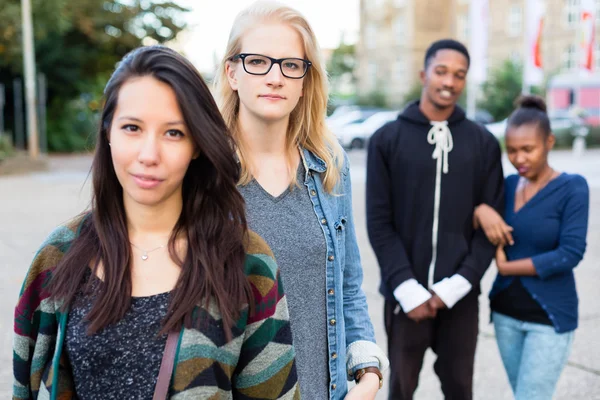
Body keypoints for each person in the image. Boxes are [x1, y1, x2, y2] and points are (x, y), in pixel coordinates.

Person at [13, 45, 299, 399]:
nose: (149, 155)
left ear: (197, 144)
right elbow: (23, 387)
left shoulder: (247, 264)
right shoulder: (59, 258)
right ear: (108, 132)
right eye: (132, 128)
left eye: (173, 133)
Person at [214, 2, 389, 399]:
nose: (275, 77)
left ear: (305, 80)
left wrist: (369, 373)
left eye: (291, 65)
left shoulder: (329, 166)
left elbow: (348, 286)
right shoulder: (205, 173)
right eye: (258, 61)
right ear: (232, 71)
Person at [366, 39, 504, 400]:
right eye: (442, 71)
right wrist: (408, 290)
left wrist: (453, 288)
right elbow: (379, 223)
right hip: (405, 298)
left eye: (459, 75)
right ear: (423, 73)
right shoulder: (387, 139)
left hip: (459, 298)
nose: (450, 81)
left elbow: (491, 226)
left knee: (460, 389)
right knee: (401, 388)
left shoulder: (483, 142)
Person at [474, 95, 589, 400]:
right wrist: (480, 210)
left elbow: (570, 253)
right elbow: (479, 218)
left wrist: (507, 267)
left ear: (549, 142)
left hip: (549, 318)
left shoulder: (573, 187)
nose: (519, 158)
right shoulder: (508, 184)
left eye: (528, 149)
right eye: (511, 150)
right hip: (505, 314)